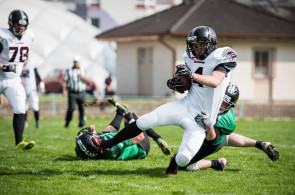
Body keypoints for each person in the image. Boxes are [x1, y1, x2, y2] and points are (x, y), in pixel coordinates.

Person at [91, 26, 238, 175]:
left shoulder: (223, 56)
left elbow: (214, 81)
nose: (197, 49)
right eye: (194, 45)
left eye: (200, 45)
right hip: (186, 105)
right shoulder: (190, 57)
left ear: (210, 43)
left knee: (183, 159)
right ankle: (107, 144)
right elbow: (190, 82)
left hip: (202, 117)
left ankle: (175, 161)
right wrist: (178, 83)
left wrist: (191, 75)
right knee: (145, 121)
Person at [178, 82, 279, 172]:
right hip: (217, 137)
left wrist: (208, 124)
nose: (220, 105)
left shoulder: (227, 121)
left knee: (181, 164)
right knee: (225, 137)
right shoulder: (208, 100)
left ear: (230, 106)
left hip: (211, 143)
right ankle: (260, 144)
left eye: (225, 104)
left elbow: (211, 138)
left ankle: (216, 163)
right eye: (220, 100)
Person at [75, 98, 172, 160]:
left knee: (105, 133)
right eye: (90, 132)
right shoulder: (112, 147)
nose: (92, 128)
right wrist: (130, 119)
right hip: (141, 147)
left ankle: (120, 112)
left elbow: (84, 148)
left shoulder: (85, 153)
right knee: (133, 117)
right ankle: (157, 138)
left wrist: (90, 138)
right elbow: (139, 136)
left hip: (108, 147)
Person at [0, 10, 35, 150]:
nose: (21, 27)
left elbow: (24, 56)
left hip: (13, 80)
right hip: (0, 76)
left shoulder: (29, 36)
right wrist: (4, 67)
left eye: (23, 24)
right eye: (17, 24)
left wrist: (20, 66)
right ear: (11, 23)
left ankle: (19, 142)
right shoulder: (3, 36)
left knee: (21, 108)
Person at [63, 56, 92, 128]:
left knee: (82, 108)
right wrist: (64, 90)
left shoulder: (83, 69)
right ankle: (68, 121)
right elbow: (65, 81)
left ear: (79, 62)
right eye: (75, 62)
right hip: (72, 92)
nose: (76, 63)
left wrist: (83, 77)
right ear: (73, 62)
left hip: (81, 92)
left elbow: (89, 80)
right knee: (71, 108)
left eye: (77, 61)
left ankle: (81, 123)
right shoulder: (69, 70)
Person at [21, 60, 45, 128]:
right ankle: (24, 122)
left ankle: (37, 122)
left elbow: (38, 77)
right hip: (22, 90)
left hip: (32, 90)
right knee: (23, 107)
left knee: (35, 106)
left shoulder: (32, 66)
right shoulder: (19, 65)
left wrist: (42, 87)